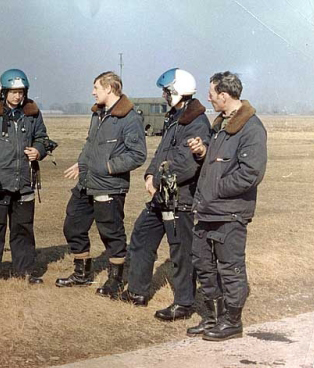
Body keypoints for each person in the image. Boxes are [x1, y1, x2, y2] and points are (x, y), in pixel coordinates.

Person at [119, 68, 211, 322]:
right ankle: (137, 292)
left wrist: (157, 182)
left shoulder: (196, 122)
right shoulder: (177, 117)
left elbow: (187, 164)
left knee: (181, 251)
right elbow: (162, 152)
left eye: (166, 91)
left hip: (180, 199)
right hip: (163, 196)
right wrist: (150, 174)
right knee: (141, 236)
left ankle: (183, 303)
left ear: (178, 91)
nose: (163, 95)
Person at [186, 71, 267, 340]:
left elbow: (250, 174)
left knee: (230, 268)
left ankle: (232, 323)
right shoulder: (221, 125)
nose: (208, 98)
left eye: (211, 93)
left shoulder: (251, 128)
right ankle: (212, 318)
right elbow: (221, 162)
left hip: (229, 213)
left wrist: (215, 189)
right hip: (209, 210)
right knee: (204, 264)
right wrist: (203, 151)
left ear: (223, 95)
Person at [56, 71, 147, 298]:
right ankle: (81, 274)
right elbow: (90, 144)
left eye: (96, 87)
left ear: (109, 88)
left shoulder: (130, 118)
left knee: (111, 234)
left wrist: (107, 167)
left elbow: (138, 155)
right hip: (86, 183)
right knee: (73, 226)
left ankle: (115, 282)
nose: (92, 91)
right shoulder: (98, 114)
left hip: (109, 186)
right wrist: (82, 163)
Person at [0, 69, 50, 289]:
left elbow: (42, 137)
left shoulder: (33, 113)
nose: (17, 96)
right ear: (4, 91)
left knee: (23, 229)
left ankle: (24, 272)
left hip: (24, 183)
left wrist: (39, 150)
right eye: (13, 92)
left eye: (21, 92)